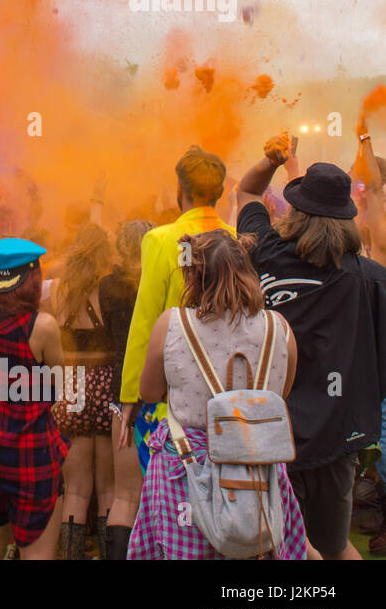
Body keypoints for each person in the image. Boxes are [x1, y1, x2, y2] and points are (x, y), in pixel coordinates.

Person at [234, 132, 386, 560]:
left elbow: (247, 190)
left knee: (275, 548)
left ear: (295, 213)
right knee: (331, 548)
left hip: (267, 435)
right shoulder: (370, 278)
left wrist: (271, 159)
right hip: (336, 438)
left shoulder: (263, 251)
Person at [127, 229, 306, 559]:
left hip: (186, 466)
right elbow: (280, 393)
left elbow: (148, 392)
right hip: (256, 468)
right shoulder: (278, 327)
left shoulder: (173, 323)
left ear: (195, 275)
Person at [119, 146, 233, 472]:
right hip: (225, 392)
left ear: (179, 189)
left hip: (172, 398)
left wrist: (131, 395)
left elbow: (145, 320)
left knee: (172, 492)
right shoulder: (237, 238)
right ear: (221, 192)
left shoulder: (160, 239)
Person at [0, 238, 69, 558]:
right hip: (30, 459)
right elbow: (58, 387)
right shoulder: (42, 327)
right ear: (31, 280)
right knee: (37, 555)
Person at [47, 224, 117, 559]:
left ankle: (70, 556)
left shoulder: (60, 288)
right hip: (103, 386)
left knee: (74, 489)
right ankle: (107, 554)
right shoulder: (108, 289)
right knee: (108, 489)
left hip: (69, 387)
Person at [100, 219, 154, 559]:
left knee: (124, 494)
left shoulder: (106, 286)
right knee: (157, 492)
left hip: (121, 385)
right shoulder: (154, 282)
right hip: (154, 387)